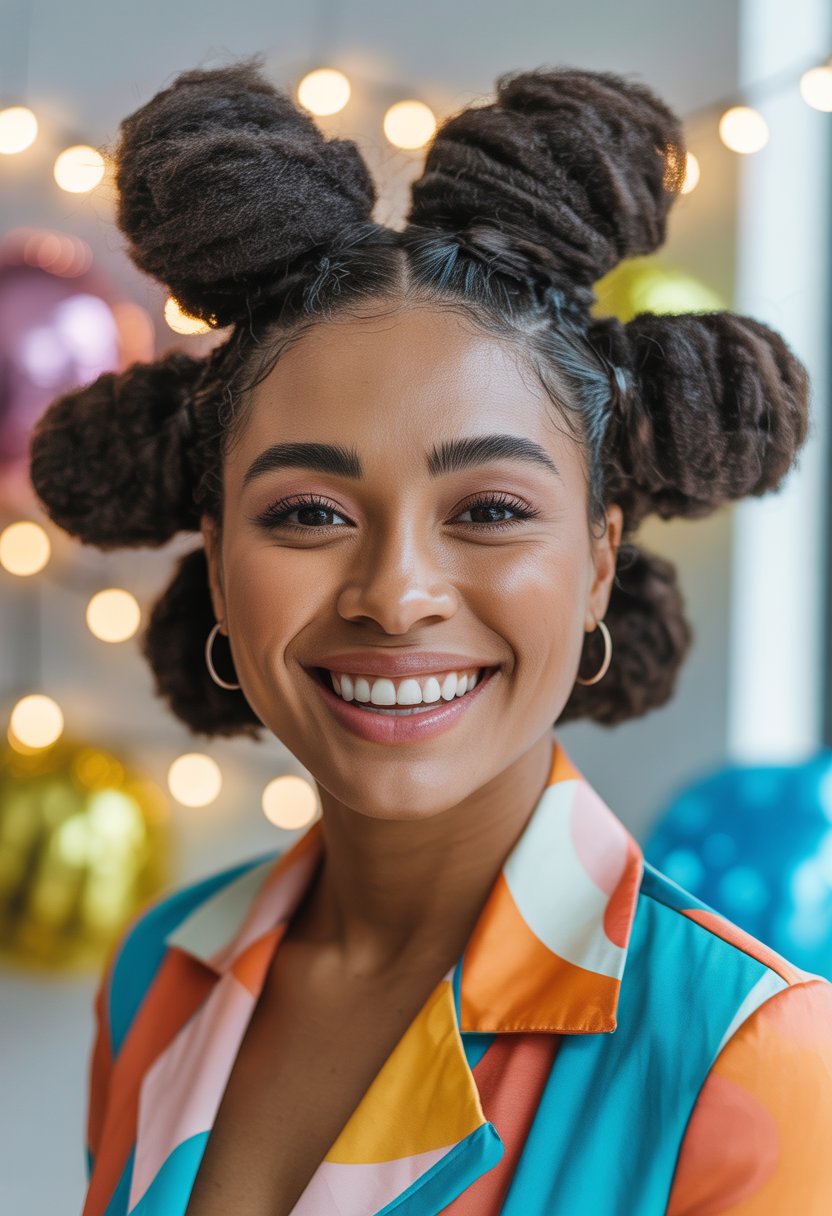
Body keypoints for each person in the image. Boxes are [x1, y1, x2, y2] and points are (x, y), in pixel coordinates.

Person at [29, 54, 832, 1216]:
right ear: (213, 547)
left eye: (491, 511)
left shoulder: (746, 1058)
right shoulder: (161, 965)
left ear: (599, 557)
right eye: (308, 512)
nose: (395, 595)